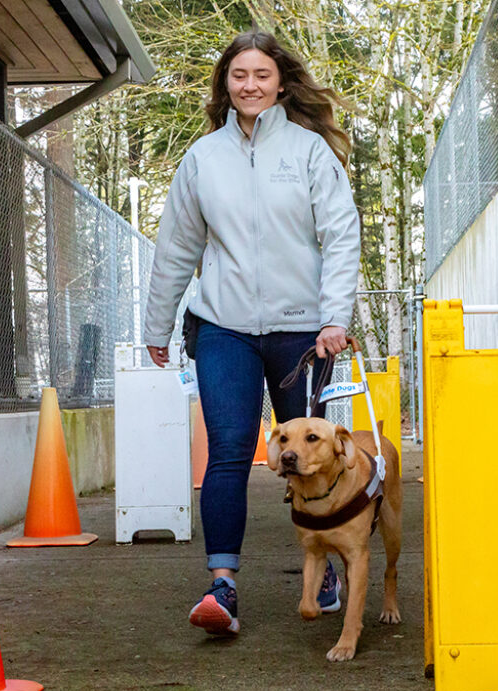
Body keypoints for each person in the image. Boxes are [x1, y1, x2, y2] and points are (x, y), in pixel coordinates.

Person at [142, 30, 361, 636]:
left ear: (281, 83)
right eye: (239, 75)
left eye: (262, 74)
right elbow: (176, 247)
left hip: (304, 333)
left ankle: (329, 567)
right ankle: (223, 586)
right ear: (225, 84)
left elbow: (341, 236)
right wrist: (158, 323)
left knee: (314, 456)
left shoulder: (310, 152)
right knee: (230, 450)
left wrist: (335, 317)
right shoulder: (203, 158)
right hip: (224, 327)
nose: (250, 85)